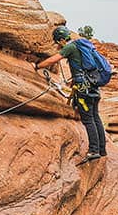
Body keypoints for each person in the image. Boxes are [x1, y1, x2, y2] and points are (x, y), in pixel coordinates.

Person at [36, 26, 108, 163]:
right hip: (93, 87)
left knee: (88, 119)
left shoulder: (70, 47)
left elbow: (53, 59)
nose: (58, 45)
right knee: (95, 117)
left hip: (83, 91)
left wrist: (37, 66)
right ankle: (102, 149)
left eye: (58, 42)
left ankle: (94, 150)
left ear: (62, 39)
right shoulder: (81, 46)